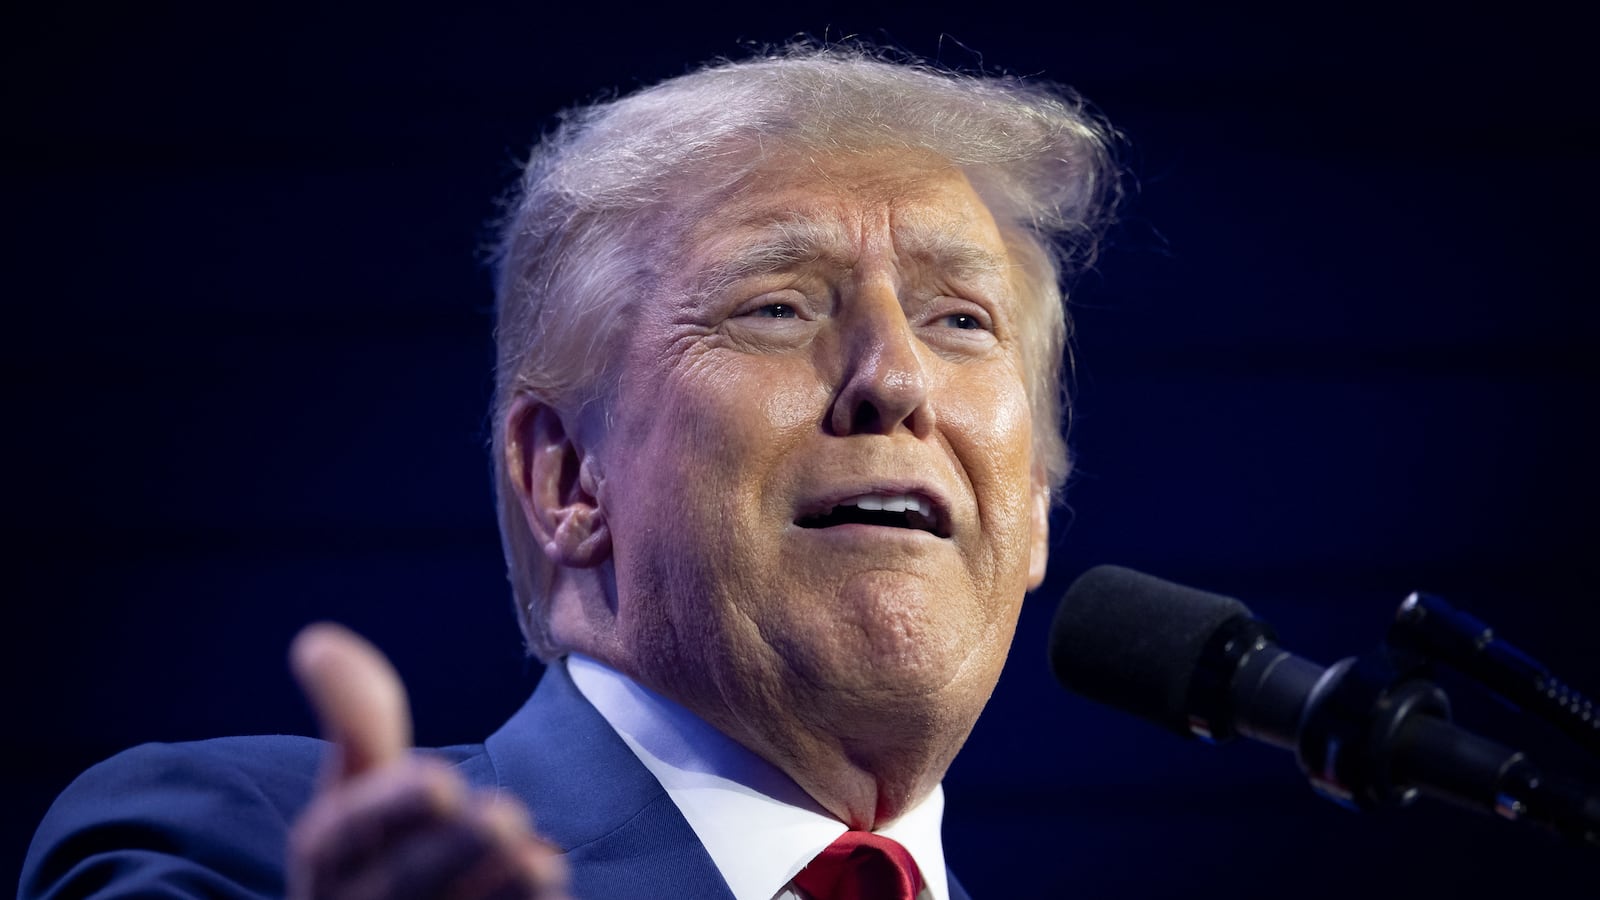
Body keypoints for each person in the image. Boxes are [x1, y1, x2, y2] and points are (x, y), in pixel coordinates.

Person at [21, 45, 1117, 899]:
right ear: (566, 480)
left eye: (959, 319)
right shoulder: (242, 845)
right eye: (777, 306)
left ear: (1030, 514)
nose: (894, 377)